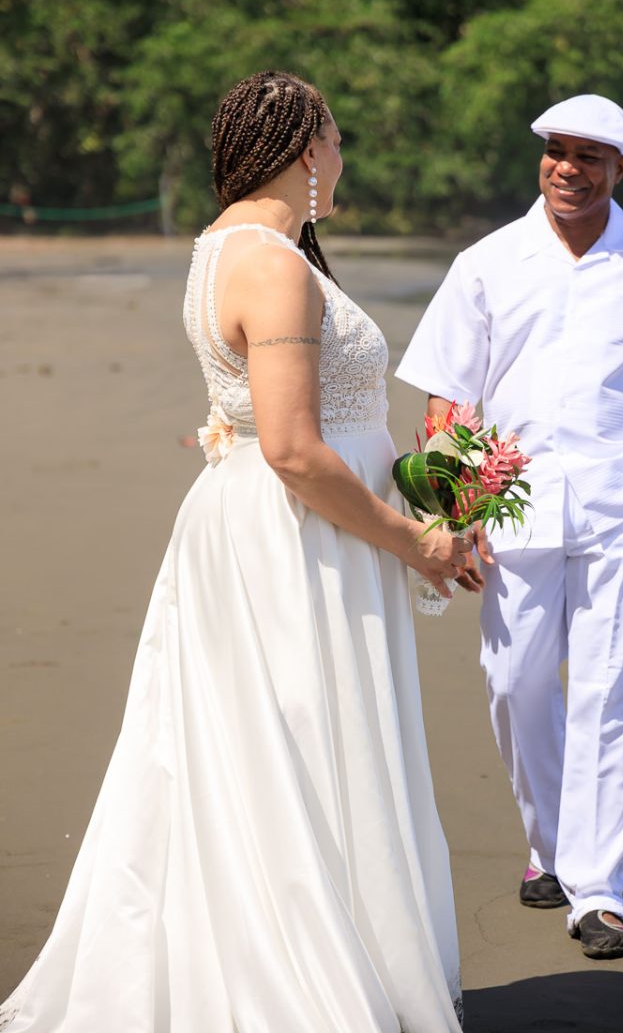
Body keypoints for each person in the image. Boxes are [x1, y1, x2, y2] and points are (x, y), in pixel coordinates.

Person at [0, 71, 471, 1031]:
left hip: (276, 526)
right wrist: (416, 540)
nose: (343, 162)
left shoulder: (225, 249)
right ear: (307, 151)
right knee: (298, 742)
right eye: (337, 142)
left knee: (275, 747)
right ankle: (295, 982)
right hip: (298, 539)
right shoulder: (270, 261)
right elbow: (293, 448)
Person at [396, 94, 623, 960]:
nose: (569, 168)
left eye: (589, 156)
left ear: (621, 169)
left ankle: (597, 891)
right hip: (512, 502)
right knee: (515, 680)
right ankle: (551, 845)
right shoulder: (487, 262)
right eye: (556, 151)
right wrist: (459, 508)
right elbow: (449, 395)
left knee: (611, 691)